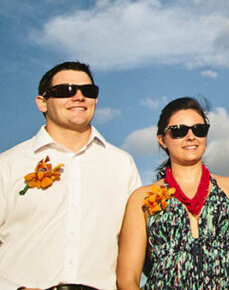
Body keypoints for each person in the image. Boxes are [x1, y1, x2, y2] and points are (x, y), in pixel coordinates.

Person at [0, 61, 142, 290]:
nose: (78, 97)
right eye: (66, 90)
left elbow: (136, 245)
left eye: (88, 91)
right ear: (42, 102)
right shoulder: (7, 164)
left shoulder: (122, 164)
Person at [117, 97, 229, 290]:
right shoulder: (141, 198)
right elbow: (127, 279)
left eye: (199, 129)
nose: (191, 136)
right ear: (162, 140)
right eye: (179, 131)